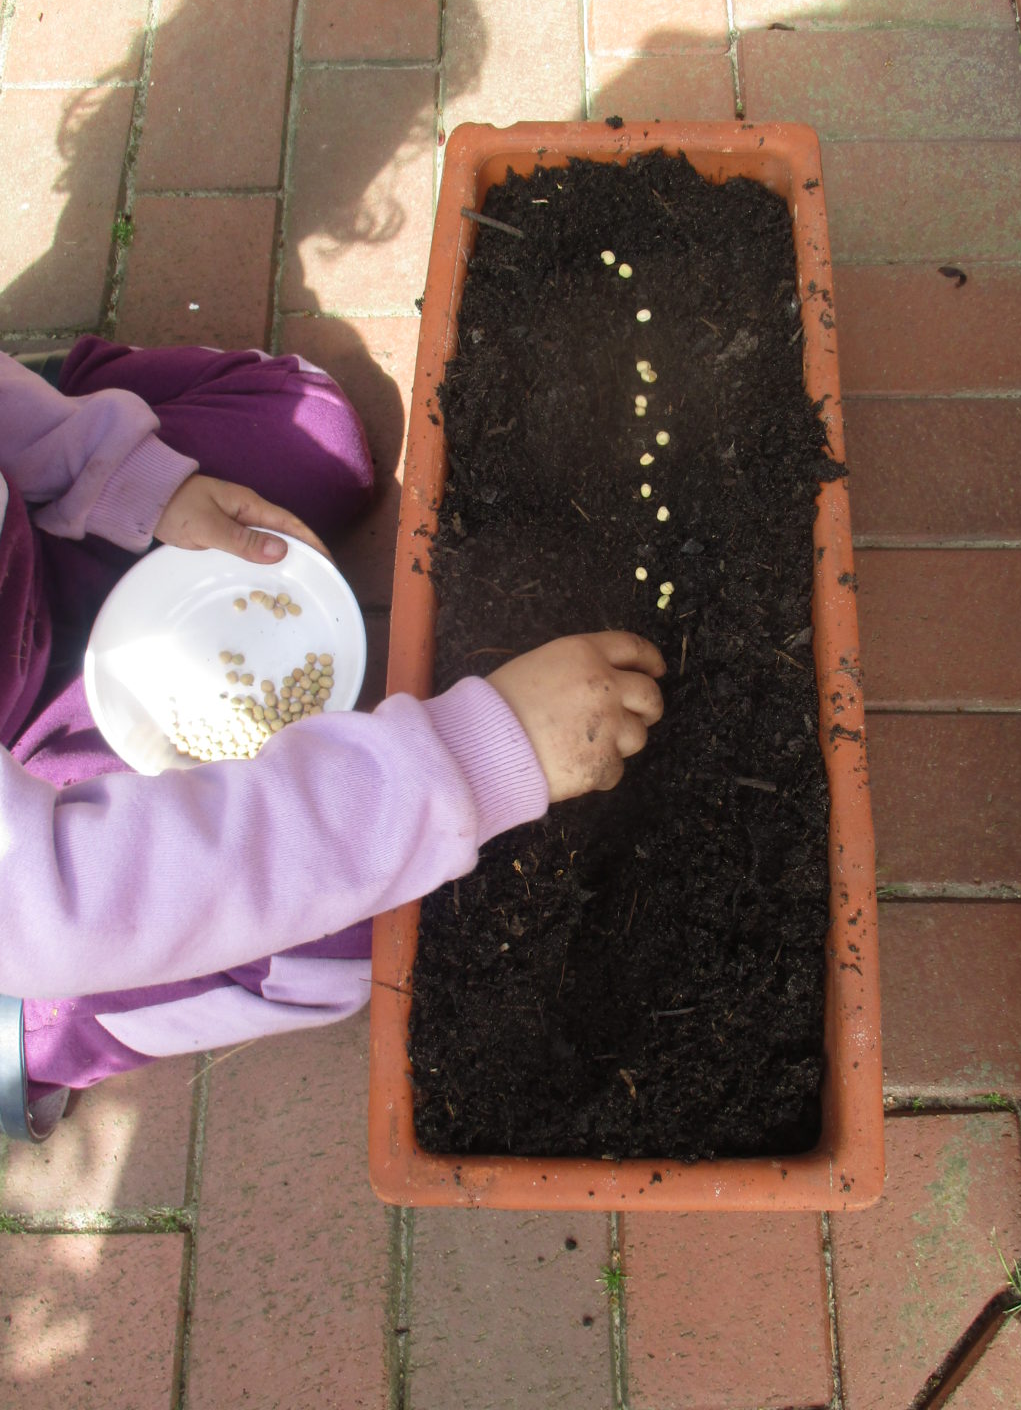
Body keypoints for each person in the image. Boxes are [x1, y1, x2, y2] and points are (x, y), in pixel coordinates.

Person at [0, 338, 666, 1141]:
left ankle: (64, 417)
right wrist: (484, 751)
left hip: (24, 568)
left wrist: (114, 474)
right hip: (39, 903)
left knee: (319, 436)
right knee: (360, 940)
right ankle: (36, 1033)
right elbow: (74, 898)